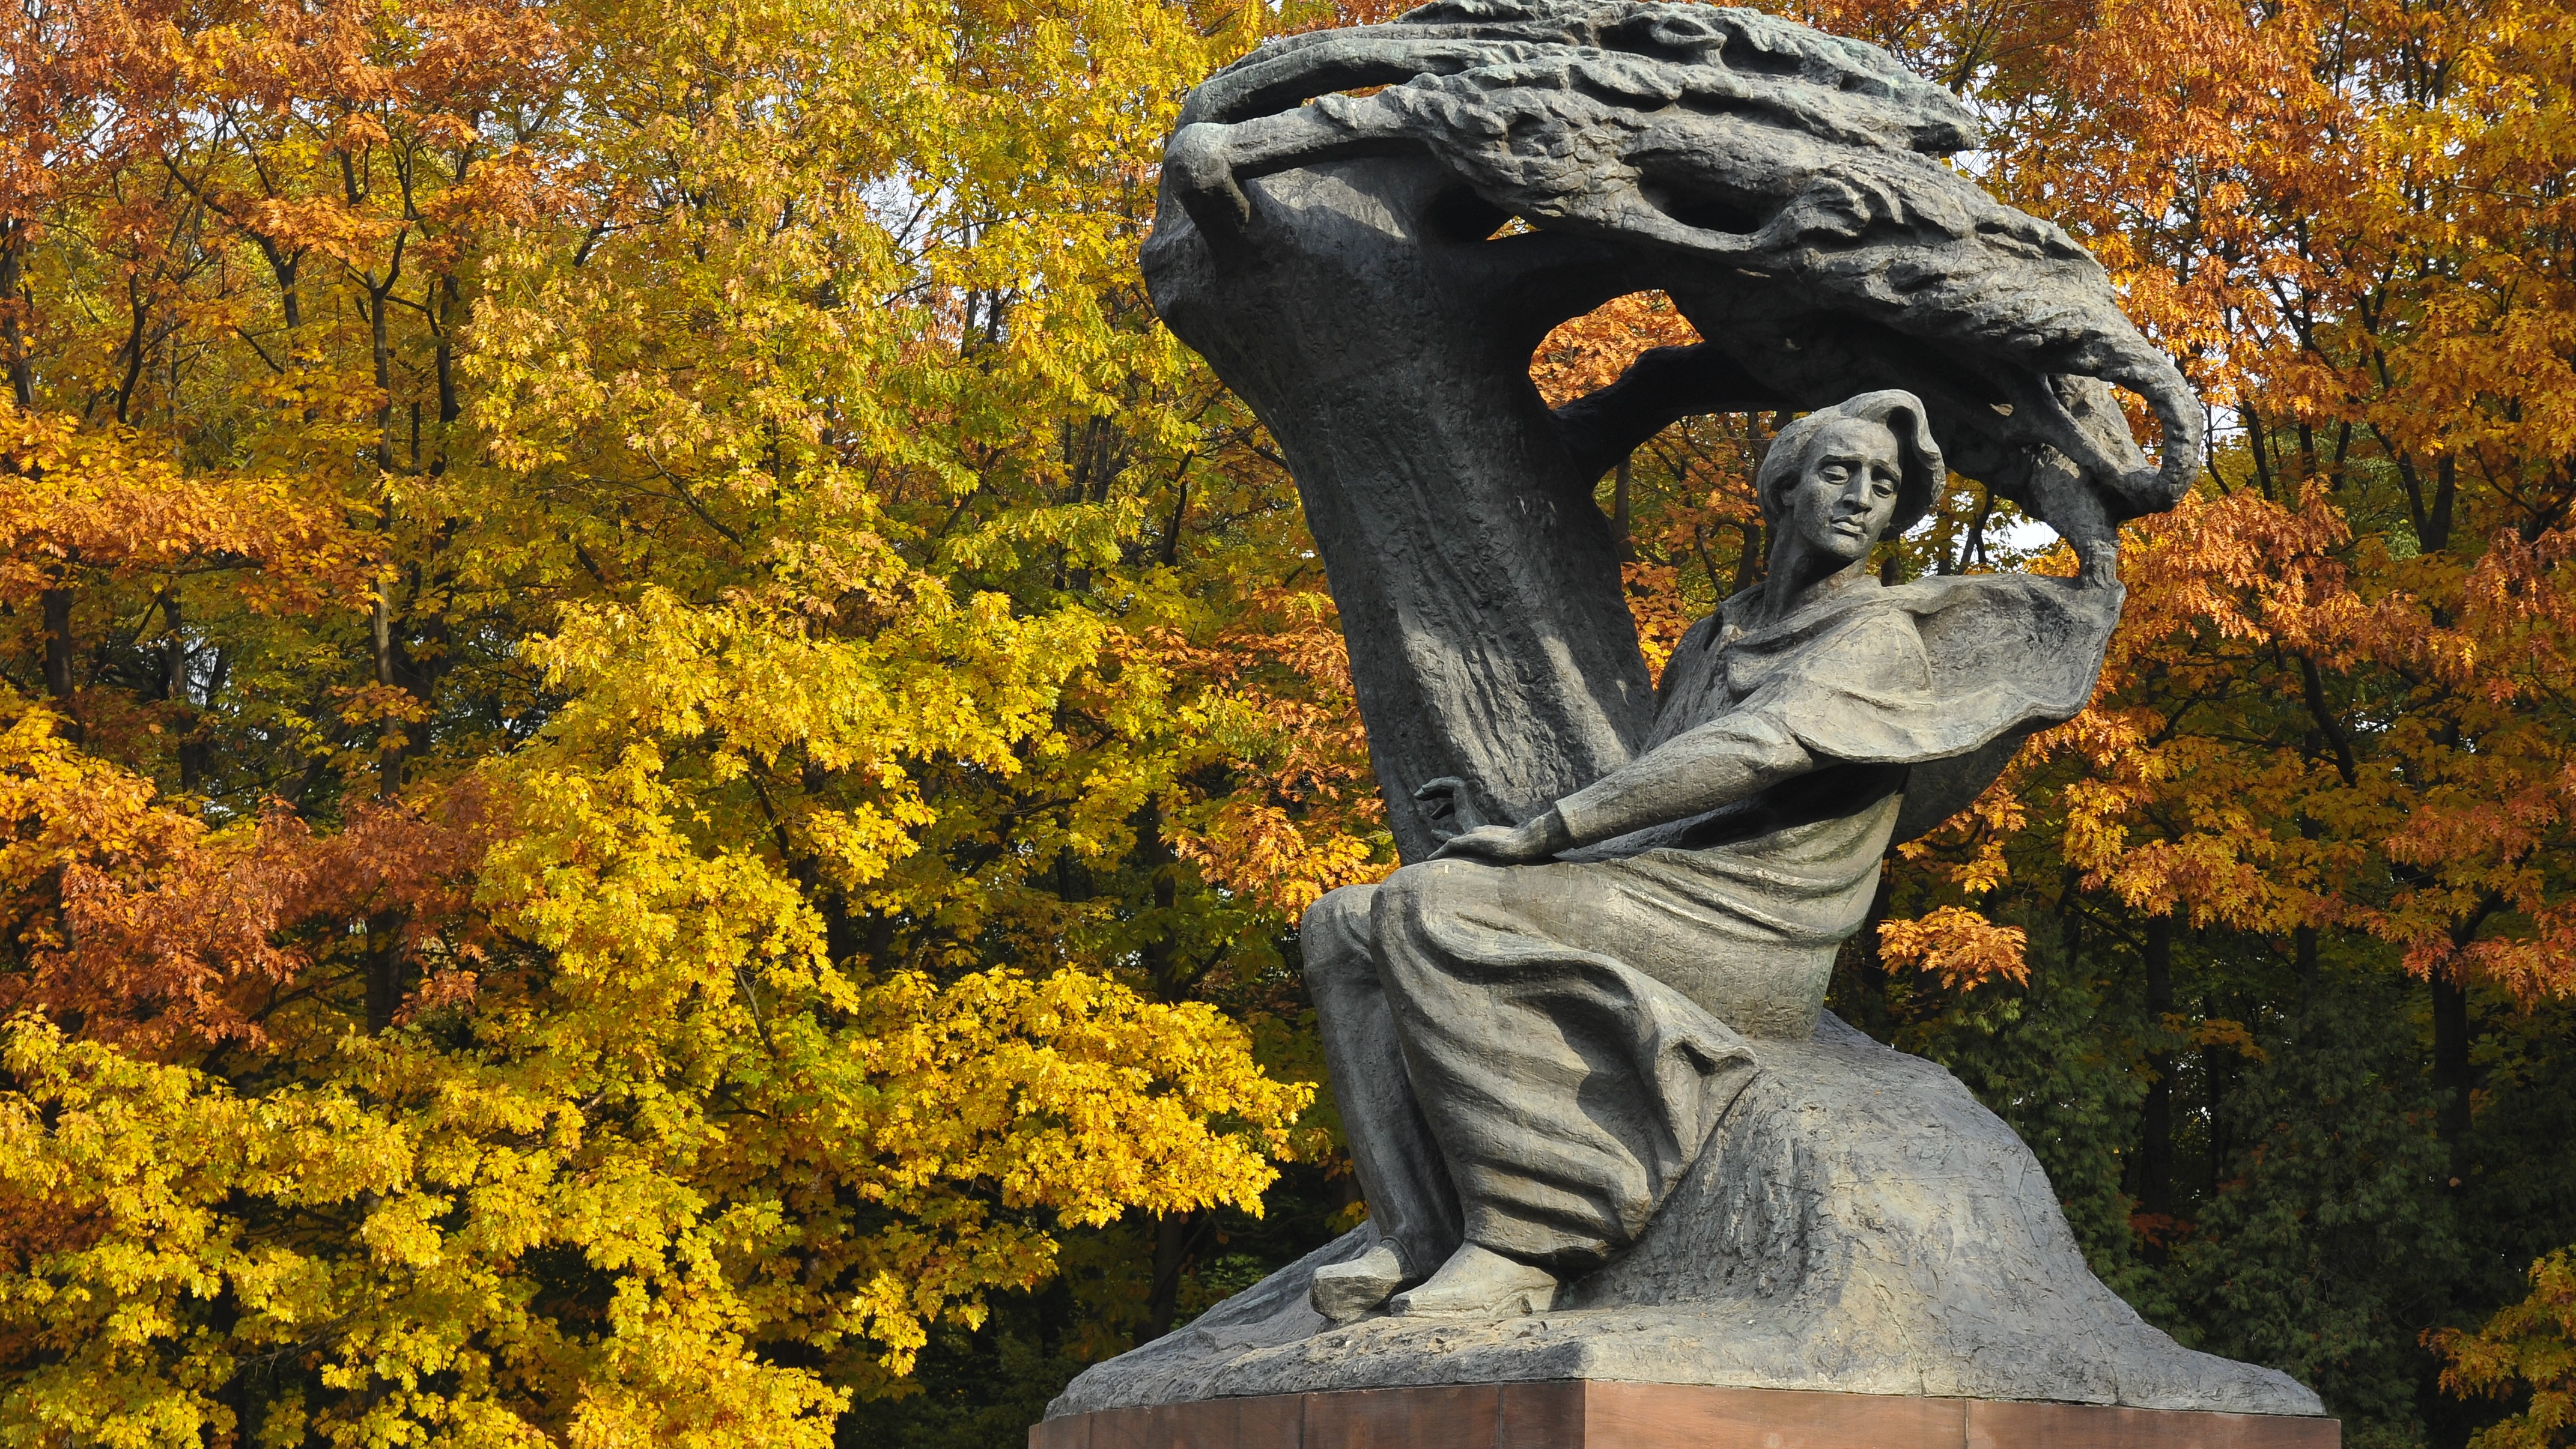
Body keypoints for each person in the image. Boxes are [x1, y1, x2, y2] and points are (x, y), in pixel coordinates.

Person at [1301, 390, 2125, 1320]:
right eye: (1837, 471)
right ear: (1783, 488)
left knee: (1427, 904)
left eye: (1883, 485)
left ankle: (1523, 1242)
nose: (1859, 496)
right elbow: (1663, 793)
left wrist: (1546, 833)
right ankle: (1413, 1232)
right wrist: (1509, 827)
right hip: (1667, 888)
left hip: (1757, 934)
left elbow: (1755, 750)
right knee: (1341, 926)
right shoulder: (1711, 637)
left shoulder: (1877, 638)